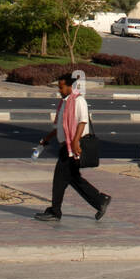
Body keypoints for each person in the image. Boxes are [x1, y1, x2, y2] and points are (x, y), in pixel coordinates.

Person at [34, 72, 111, 222]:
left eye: (61, 87)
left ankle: (55, 211)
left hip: (74, 146)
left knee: (59, 178)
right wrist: (47, 139)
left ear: (70, 86)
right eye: (58, 87)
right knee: (73, 178)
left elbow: (82, 122)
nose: (59, 90)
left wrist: (75, 142)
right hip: (66, 146)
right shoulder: (64, 103)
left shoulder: (78, 101)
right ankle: (100, 200)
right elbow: (60, 127)